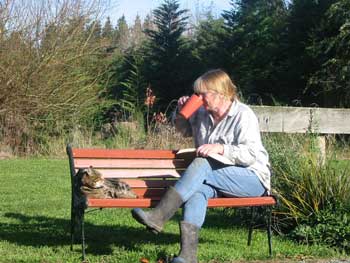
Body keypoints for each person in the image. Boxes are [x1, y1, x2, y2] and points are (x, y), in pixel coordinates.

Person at [131, 69, 271, 263]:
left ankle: (159, 216)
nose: (198, 98)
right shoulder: (202, 113)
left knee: (202, 163)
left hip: (251, 178)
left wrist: (220, 148)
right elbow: (183, 132)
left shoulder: (243, 115)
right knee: (197, 191)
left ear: (220, 93)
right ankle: (188, 256)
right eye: (196, 94)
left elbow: (251, 155)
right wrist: (181, 114)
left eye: (202, 94)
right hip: (217, 180)